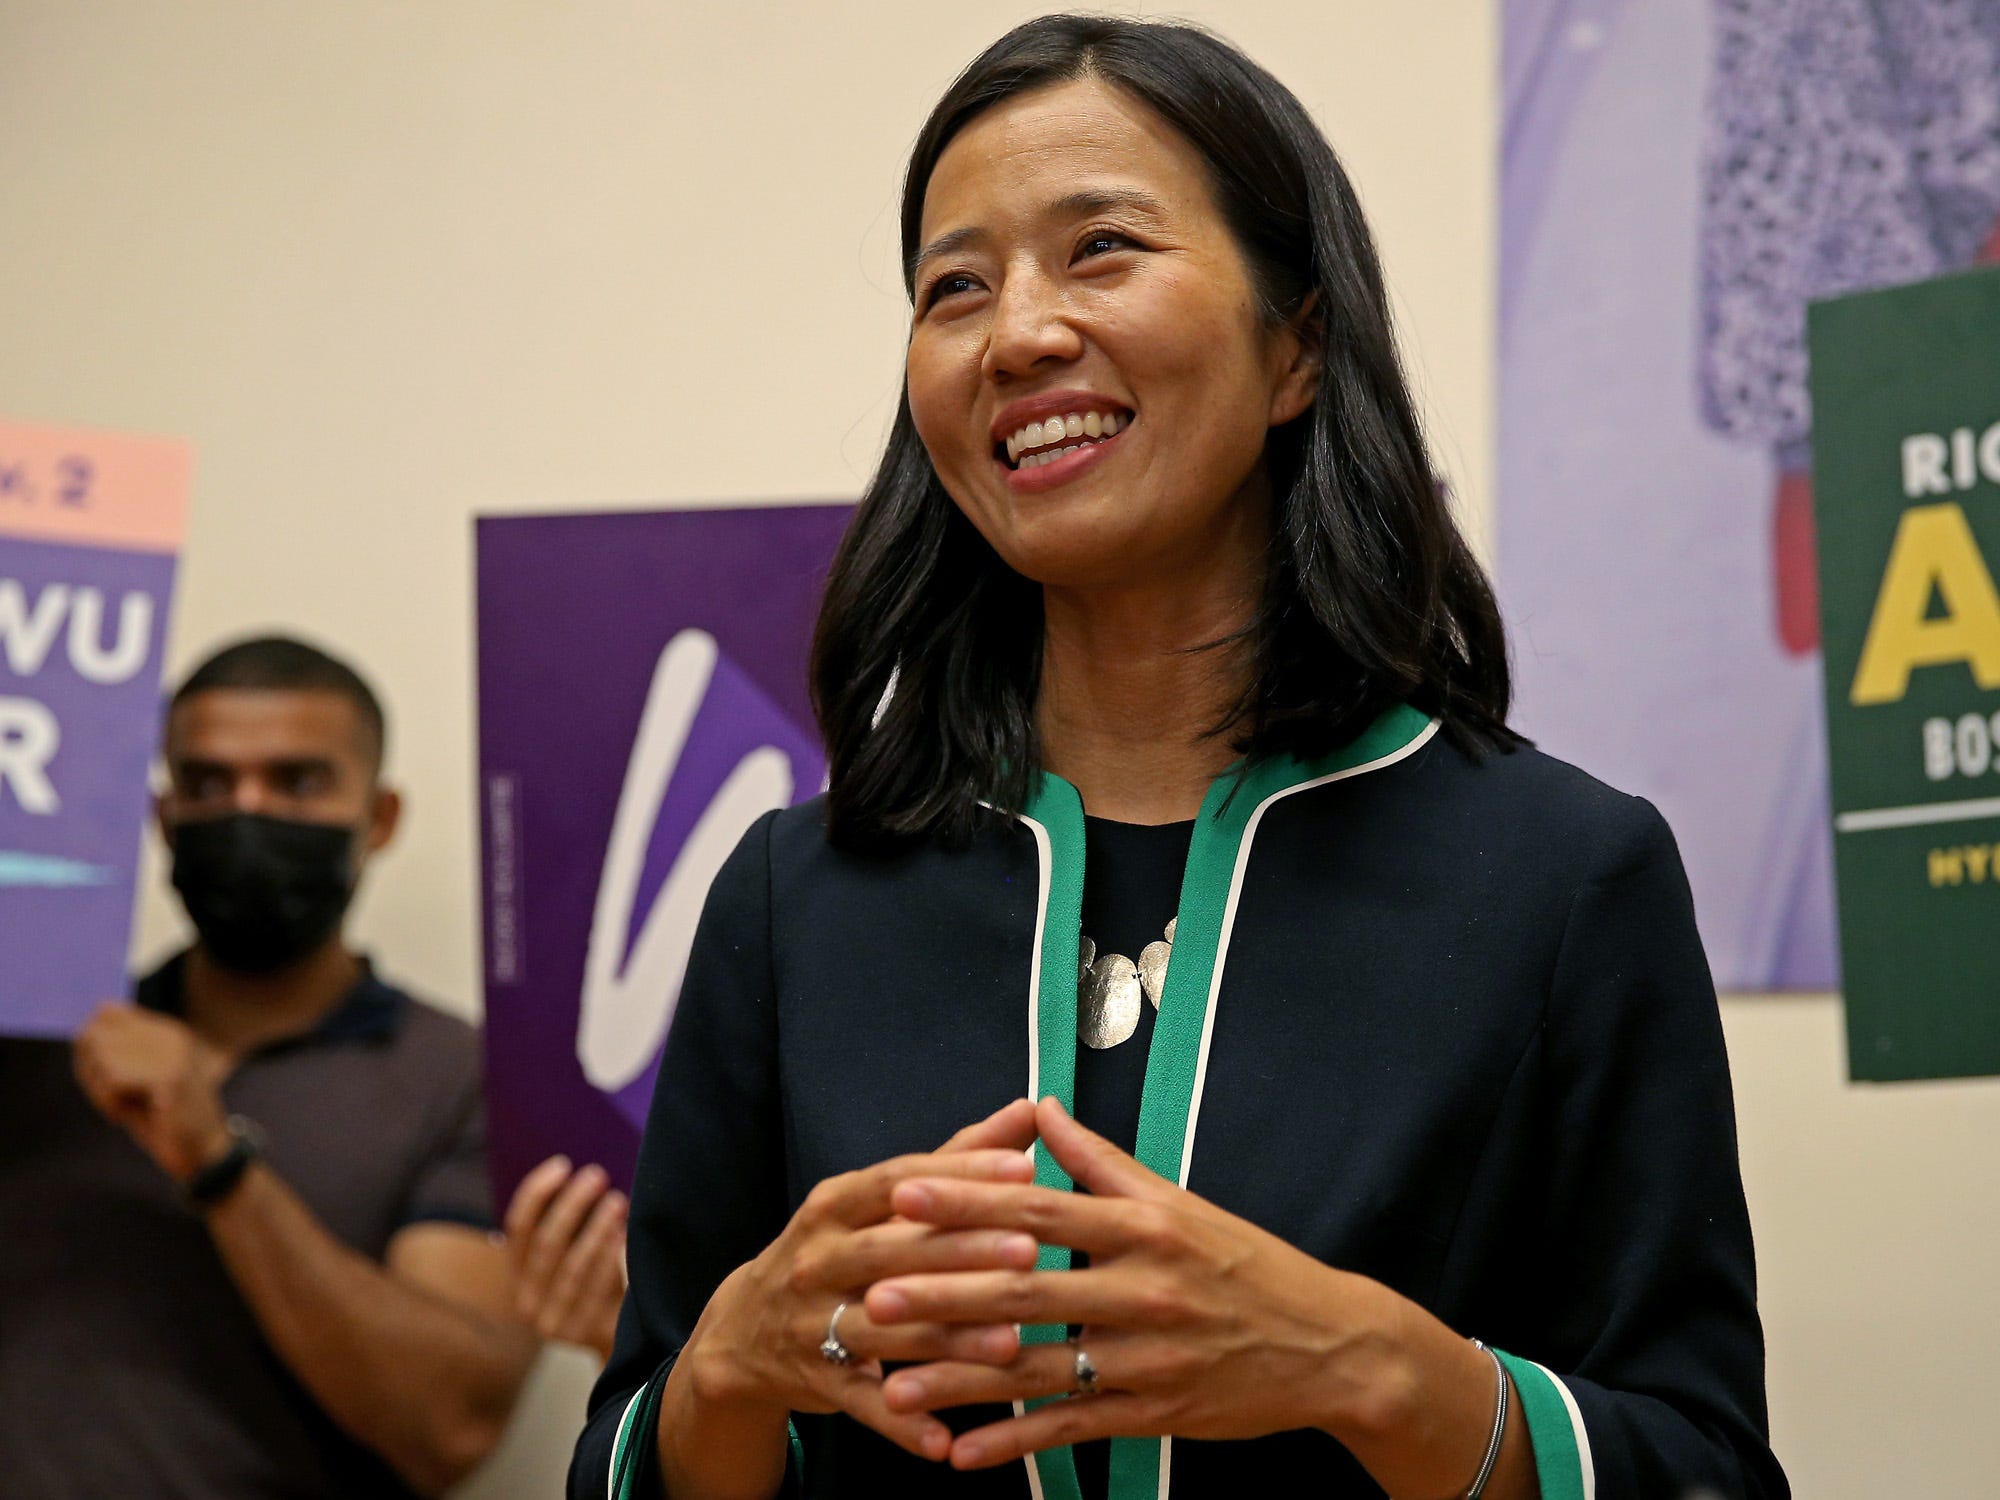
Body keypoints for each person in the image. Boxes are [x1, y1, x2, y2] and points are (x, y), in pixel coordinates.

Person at [572, 15, 1788, 1500]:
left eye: (1100, 250)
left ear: (1299, 347)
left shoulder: (1563, 876)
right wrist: (726, 1370)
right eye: (956, 286)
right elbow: (627, 1457)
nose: (1017, 331)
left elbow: (1709, 1465)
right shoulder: (794, 897)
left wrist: (1377, 1367)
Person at [0, 634, 623, 1498]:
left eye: (297, 782)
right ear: (161, 814)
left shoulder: (470, 1081)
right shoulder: (38, 1044)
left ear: (379, 819)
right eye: (208, 784)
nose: (247, 813)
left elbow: (452, 1426)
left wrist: (217, 1162)